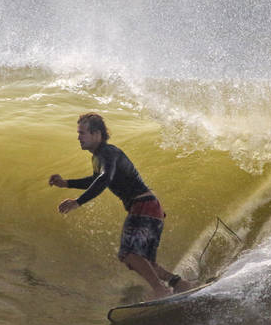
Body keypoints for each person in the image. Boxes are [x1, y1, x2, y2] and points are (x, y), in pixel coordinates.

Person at [49, 113, 195, 299]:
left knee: (129, 254)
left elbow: (104, 179)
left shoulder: (108, 152)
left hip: (143, 207)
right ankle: (179, 284)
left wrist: (78, 202)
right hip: (151, 207)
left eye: (82, 133)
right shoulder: (99, 157)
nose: (78, 137)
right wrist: (66, 183)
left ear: (97, 134)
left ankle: (160, 290)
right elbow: (96, 179)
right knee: (144, 262)